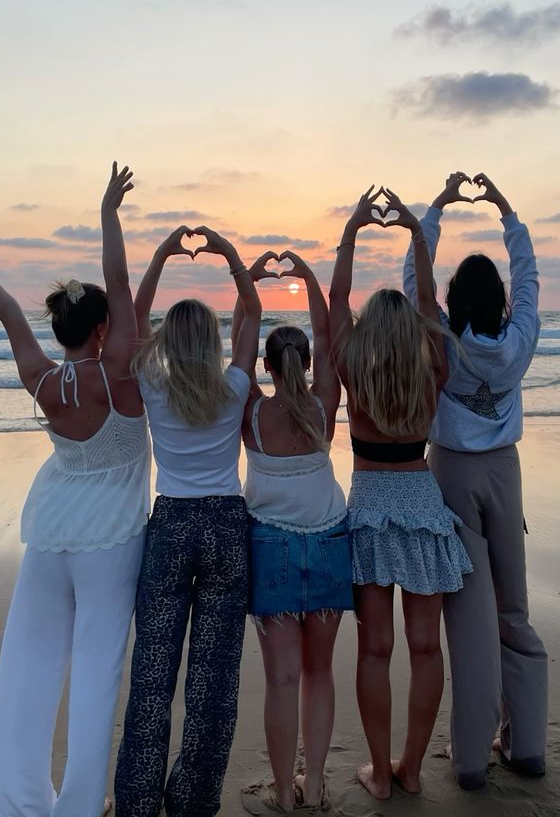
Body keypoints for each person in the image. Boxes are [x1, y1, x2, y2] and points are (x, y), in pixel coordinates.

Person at [0, 163, 150, 817]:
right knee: (96, 672)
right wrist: (108, 211)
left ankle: (16, 801)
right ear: (101, 329)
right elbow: (121, 281)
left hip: (50, 529)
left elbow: (6, 307)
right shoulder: (120, 374)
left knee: (26, 668)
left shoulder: (41, 376)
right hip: (110, 537)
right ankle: (75, 806)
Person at [402, 171, 547, 791]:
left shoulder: (440, 337)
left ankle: (469, 760)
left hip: (452, 474)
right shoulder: (518, 342)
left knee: (467, 615)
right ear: (501, 303)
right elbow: (531, 278)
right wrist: (505, 211)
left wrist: (436, 207)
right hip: (504, 473)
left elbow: (415, 278)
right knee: (512, 608)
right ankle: (528, 743)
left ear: (455, 298)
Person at [329, 186, 472, 801]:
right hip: (420, 503)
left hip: (369, 506)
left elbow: (336, 299)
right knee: (423, 646)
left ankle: (379, 775)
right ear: (412, 325)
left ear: (367, 331)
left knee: (376, 647)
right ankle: (410, 766)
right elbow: (430, 297)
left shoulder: (351, 360)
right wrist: (416, 234)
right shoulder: (431, 361)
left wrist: (353, 232)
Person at [114, 226, 262, 817]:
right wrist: (228, 253)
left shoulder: (152, 381)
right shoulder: (232, 385)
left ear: (168, 343)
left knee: (153, 671)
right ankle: (195, 801)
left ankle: (138, 803)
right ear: (214, 339)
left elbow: (133, 318)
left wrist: (161, 256)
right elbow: (251, 310)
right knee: (214, 680)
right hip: (227, 525)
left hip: (172, 523)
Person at [235, 251, 352, 815]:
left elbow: (239, 337)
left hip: (273, 547)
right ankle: (317, 780)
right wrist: (307, 277)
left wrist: (248, 281)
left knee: (281, 679)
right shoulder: (324, 406)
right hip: (330, 542)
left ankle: (284, 792)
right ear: (305, 365)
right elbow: (329, 338)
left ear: (265, 366)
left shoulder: (252, 413)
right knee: (318, 673)